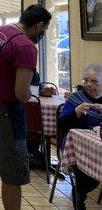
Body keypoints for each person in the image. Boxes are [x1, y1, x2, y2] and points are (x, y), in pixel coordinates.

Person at [0, 4, 51, 210]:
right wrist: (35, 91)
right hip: (4, 114)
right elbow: (21, 93)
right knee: (12, 173)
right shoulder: (26, 47)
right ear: (39, 26)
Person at [58, 63, 102, 210]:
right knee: (83, 174)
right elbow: (63, 124)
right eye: (85, 80)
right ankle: (79, 201)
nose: (88, 85)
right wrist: (75, 112)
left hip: (97, 146)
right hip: (76, 147)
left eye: (94, 81)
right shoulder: (76, 97)